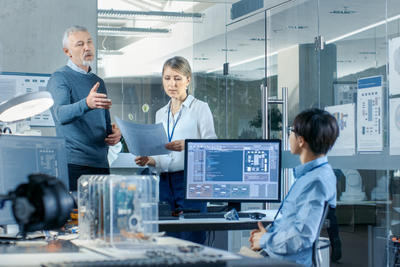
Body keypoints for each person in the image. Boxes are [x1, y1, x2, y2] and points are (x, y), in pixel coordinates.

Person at [135, 56, 217, 244]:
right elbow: (163, 157)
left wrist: (188, 145)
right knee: (168, 239)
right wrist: (150, 160)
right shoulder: (160, 113)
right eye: (167, 78)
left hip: (191, 182)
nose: (172, 84)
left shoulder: (200, 108)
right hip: (165, 182)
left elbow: (213, 147)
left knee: (191, 240)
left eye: (177, 78)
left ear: (188, 80)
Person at [248, 108, 339, 267]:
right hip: (275, 256)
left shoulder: (316, 181)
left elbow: (302, 236)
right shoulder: (310, 176)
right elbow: (292, 222)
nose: (289, 136)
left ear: (301, 140)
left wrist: (265, 240)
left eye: (291, 131)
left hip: (286, 262)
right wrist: (266, 234)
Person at [47, 25, 121, 191]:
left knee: (101, 215)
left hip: (101, 164)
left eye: (89, 42)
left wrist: (115, 134)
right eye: (80, 44)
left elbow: (105, 123)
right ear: (67, 52)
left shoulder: (98, 82)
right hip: (74, 165)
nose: (87, 47)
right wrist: (86, 104)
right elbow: (60, 114)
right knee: (76, 216)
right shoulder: (59, 78)